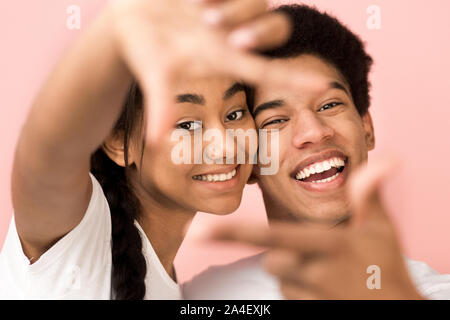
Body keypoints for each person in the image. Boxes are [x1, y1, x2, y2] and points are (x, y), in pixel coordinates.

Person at [0, 0, 303, 299]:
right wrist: (116, 29)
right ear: (118, 142)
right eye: (187, 125)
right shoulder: (77, 235)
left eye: (235, 114)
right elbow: (49, 151)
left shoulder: (175, 289)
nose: (225, 146)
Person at [182, 4, 450, 300]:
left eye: (329, 105)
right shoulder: (204, 295)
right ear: (250, 161)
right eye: (276, 121)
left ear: (367, 128)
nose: (314, 132)